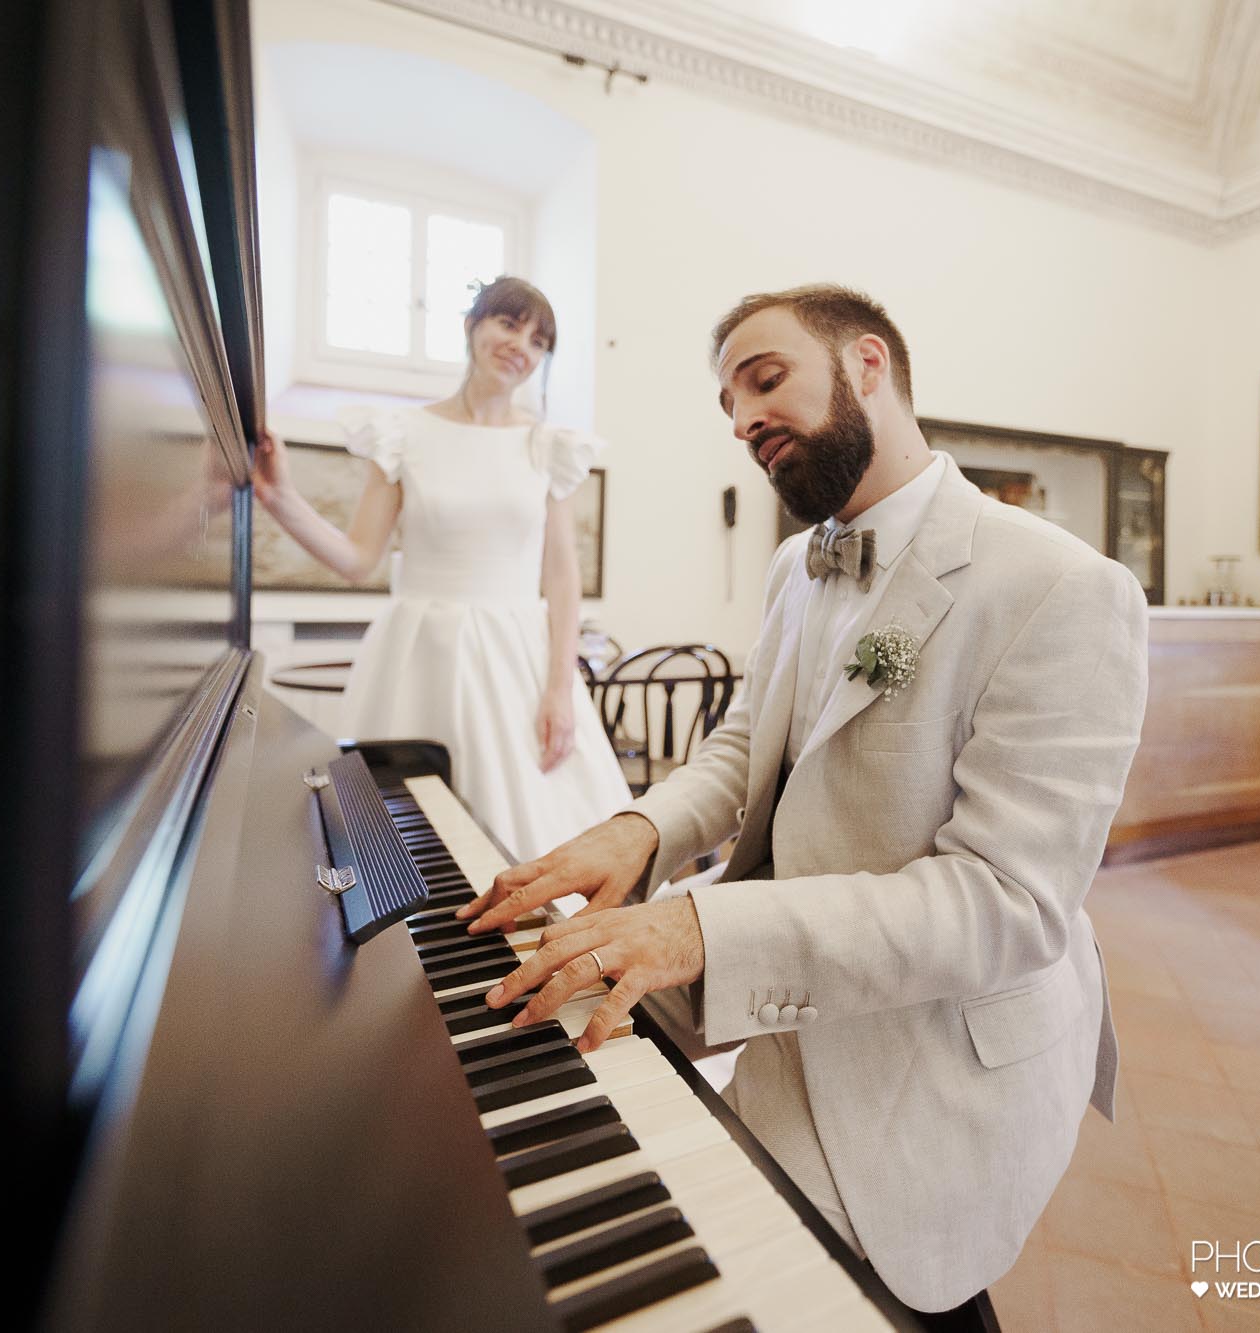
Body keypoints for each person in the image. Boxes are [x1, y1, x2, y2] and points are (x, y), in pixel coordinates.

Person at [459, 285, 1148, 1323]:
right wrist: (638, 826)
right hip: (784, 1000)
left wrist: (696, 927)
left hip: (938, 1047)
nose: (741, 422)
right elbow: (747, 744)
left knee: (873, 1292)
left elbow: (1004, 904)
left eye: (764, 380)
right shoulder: (796, 564)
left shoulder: (1058, 587)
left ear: (867, 364)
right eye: (728, 405)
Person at [252, 276, 630, 862]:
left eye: (539, 339)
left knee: (524, 834)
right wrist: (279, 499)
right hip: (418, 654)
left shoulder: (547, 446)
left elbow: (561, 577)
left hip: (518, 659)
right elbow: (357, 559)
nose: (522, 346)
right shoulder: (405, 435)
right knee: (406, 836)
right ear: (471, 326)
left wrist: (560, 686)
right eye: (509, 324)